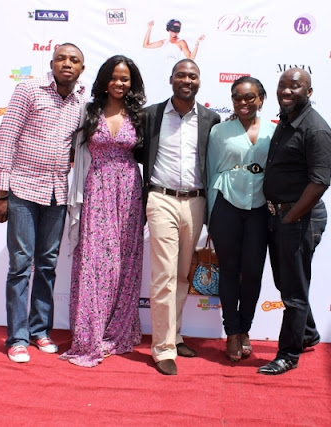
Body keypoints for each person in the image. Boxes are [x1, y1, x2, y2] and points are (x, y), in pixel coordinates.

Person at [0, 43, 86, 363]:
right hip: (23, 189)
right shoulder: (29, 89)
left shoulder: (81, 101)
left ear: (81, 69)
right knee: (20, 265)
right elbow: (6, 138)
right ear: (52, 63)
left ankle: (39, 329)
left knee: (47, 265)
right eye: (61, 58)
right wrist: (2, 193)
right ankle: (17, 337)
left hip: (58, 192)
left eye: (74, 60)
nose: (67, 64)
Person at [60, 55, 146, 367]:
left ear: (132, 83)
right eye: (114, 77)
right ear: (104, 80)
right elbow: (70, 148)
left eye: (125, 78)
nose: (119, 83)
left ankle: (117, 330)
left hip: (129, 191)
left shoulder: (140, 114)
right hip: (96, 189)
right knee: (94, 262)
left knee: (125, 262)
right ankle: (89, 334)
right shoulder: (88, 110)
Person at [139, 59, 220, 375]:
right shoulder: (151, 115)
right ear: (171, 79)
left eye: (193, 76)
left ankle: (175, 335)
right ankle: (162, 348)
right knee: (164, 275)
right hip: (161, 199)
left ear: (199, 81)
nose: (187, 80)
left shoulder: (211, 119)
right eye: (181, 75)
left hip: (196, 203)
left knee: (183, 275)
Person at [259, 68, 331, 375]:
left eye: (295, 86)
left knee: (293, 291)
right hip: (282, 216)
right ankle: (307, 333)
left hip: (300, 218)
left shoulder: (315, 129)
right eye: (282, 86)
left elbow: (319, 182)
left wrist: (290, 218)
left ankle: (289, 354)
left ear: (309, 92)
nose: (287, 91)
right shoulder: (287, 120)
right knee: (287, 282)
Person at [206, 76, 275, 362]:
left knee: (254, 272)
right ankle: (232, 332)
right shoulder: (219, 132)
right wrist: (210, 217)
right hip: (227, 205)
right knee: (229, 271)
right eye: (237, 97)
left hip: (259, 209)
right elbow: (211, 171)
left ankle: (246, 327)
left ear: (261, 99)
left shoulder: (273, 131)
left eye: (250, 97)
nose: (243, 102)